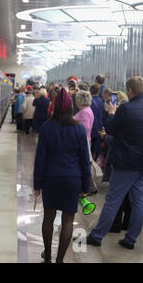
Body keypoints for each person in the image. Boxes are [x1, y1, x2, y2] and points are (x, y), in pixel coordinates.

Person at [87, 77, 143, 250]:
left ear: (130, 91)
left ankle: (97, 236)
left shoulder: (125, 108)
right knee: (138, 199)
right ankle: (131, 239)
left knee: (113, 200)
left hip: (126, 162)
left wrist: (110, 113)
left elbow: (111, 129)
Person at [33, 88, 90, 263]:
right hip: (72, 179)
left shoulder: (46, 127)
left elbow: (40, 158)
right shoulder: (79, 129)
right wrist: (85, 187)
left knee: (48, 217)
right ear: (71, 107)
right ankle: (59, 260)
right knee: (68, 220)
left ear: (55, 107)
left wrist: (37, 184)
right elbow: (84, 160)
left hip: (50, 179)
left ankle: (48, 255)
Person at [89, 84, 104, 161]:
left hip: (91, 127)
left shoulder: (90, 101)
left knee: (90, 149)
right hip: (99, 127)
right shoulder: (101, 101)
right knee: (97, 149)